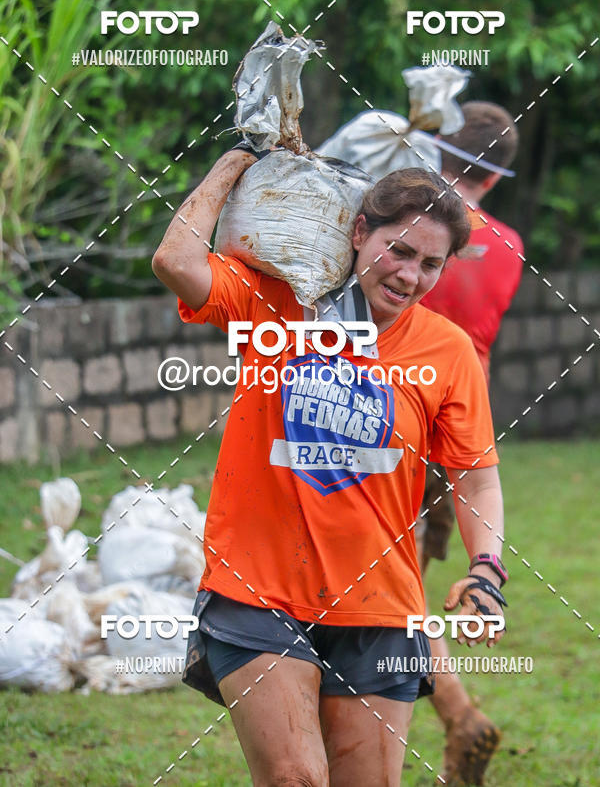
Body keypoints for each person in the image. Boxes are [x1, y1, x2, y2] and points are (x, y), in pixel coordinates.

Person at [152, 154, 509, 786]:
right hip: (256, 589)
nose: (409, 275)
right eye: (398, 250)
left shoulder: (446, 350)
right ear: (357, 232)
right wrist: (233, 164)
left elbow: (475, 474)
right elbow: (176, 263)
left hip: (379, 606)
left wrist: (487, 570)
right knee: (296, 779)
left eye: (430, 264)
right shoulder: (278, 306)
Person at [417, 101, 523, 786]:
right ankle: (456, 714)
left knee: (384, 585)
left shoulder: (415, 231)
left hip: (394, 414)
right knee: (404, 578)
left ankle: (456, 713)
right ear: (496, 175)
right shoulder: (509, 246)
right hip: (464, 428)